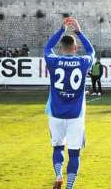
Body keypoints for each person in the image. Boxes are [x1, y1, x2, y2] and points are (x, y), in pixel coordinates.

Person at [45, 17, 94, 189]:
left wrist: (61, 30)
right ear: (75, 48)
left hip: (56, 114)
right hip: (76, 116)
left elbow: (47, 48)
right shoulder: (83, 62)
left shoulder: (53, 60)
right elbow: (91, 51)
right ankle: (69, 187)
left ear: (61, 48)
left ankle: (58, 175)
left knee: (57, 148)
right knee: (74, 154)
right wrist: (78, 31)